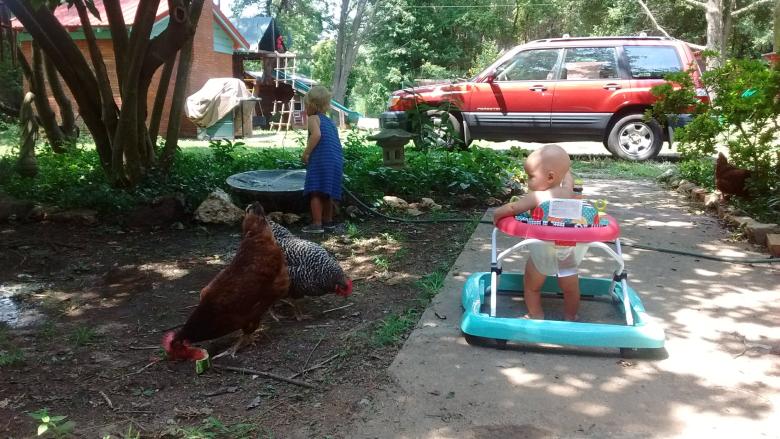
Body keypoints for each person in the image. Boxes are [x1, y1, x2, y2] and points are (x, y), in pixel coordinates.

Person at [492, 144, 584, 321]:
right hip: (568, 252)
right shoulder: (567, 193)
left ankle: (536, 314)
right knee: (571, 288)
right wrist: (565, 170)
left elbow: (513, 207)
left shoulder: (537, 197)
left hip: (542, 252)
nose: (528, 182)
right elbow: (567, 180)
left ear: (550, 177)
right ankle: (571, 316)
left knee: (532, 286)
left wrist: (497, 214)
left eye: (530, 177)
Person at [301, 86, 343, 234]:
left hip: (321, 160)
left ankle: (317, 224)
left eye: (305, 106)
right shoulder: (330, 122)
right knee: (328, 192)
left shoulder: (314, 118)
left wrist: (306, 153)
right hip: (336, 160)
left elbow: (316, 135)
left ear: (312, 105)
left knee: (316, 191)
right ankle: (328, 221)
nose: (305, 109)